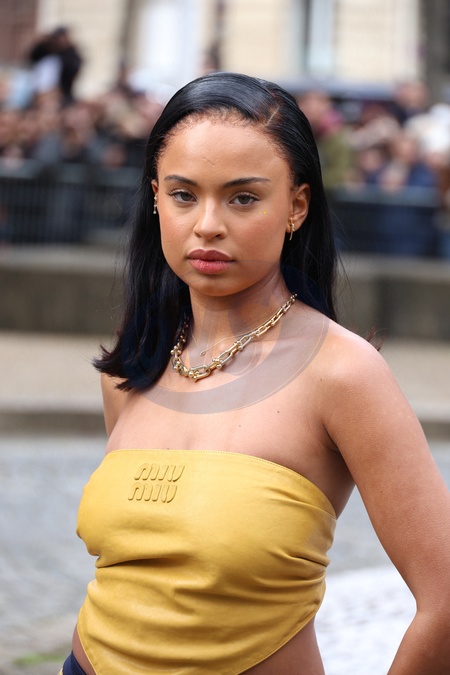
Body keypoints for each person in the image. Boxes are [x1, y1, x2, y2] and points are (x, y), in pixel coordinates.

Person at [61, 72, 450, 674]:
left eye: (242, 198)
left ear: (296, 206)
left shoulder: (343, 373)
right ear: (155, 197)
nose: (208, 224)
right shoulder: (134, 364)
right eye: (184, 194)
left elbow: (444, 597)